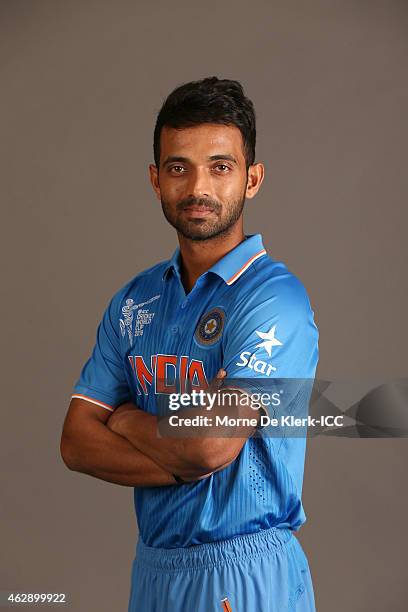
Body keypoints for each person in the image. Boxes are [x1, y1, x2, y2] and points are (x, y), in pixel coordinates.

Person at [60, 76, 319, 611]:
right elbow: (76, 442)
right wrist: (185, 454)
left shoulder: (274, 299)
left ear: (252, 178)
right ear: (156, 179)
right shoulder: (134, 302)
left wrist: (129, 421)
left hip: (244, 569)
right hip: (154, 569)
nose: (198, 186)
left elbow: (209, 446)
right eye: (179, 167)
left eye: (220, 167)